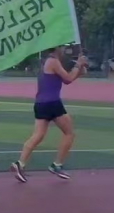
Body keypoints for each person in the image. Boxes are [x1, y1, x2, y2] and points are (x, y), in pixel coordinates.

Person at [12, 46, 86, 182]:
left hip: (41, 103)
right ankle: (57, 165)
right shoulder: (53, 61)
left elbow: (67, 79)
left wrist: (79, 70)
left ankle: (20, 164)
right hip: (52, 103)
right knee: (69, 133)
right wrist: (78, 65)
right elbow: (68, 79)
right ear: (57, 48)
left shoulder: (47, 62)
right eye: (62, 47)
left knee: (38, 135)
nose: (63, 49)